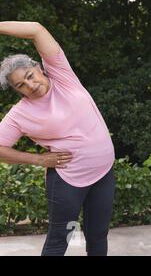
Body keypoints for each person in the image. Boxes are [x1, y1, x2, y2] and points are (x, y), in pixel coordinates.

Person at [0, 21, 116, 256]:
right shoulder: (20, 113)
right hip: (67, 180)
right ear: (18, 90)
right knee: (58, 239)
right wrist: (39, 160)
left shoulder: (62, 76)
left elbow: (36, 30)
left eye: (31, 76)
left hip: (104, 173)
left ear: (38, 68)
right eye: (22, 85)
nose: (31, 85)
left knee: (98, 235)